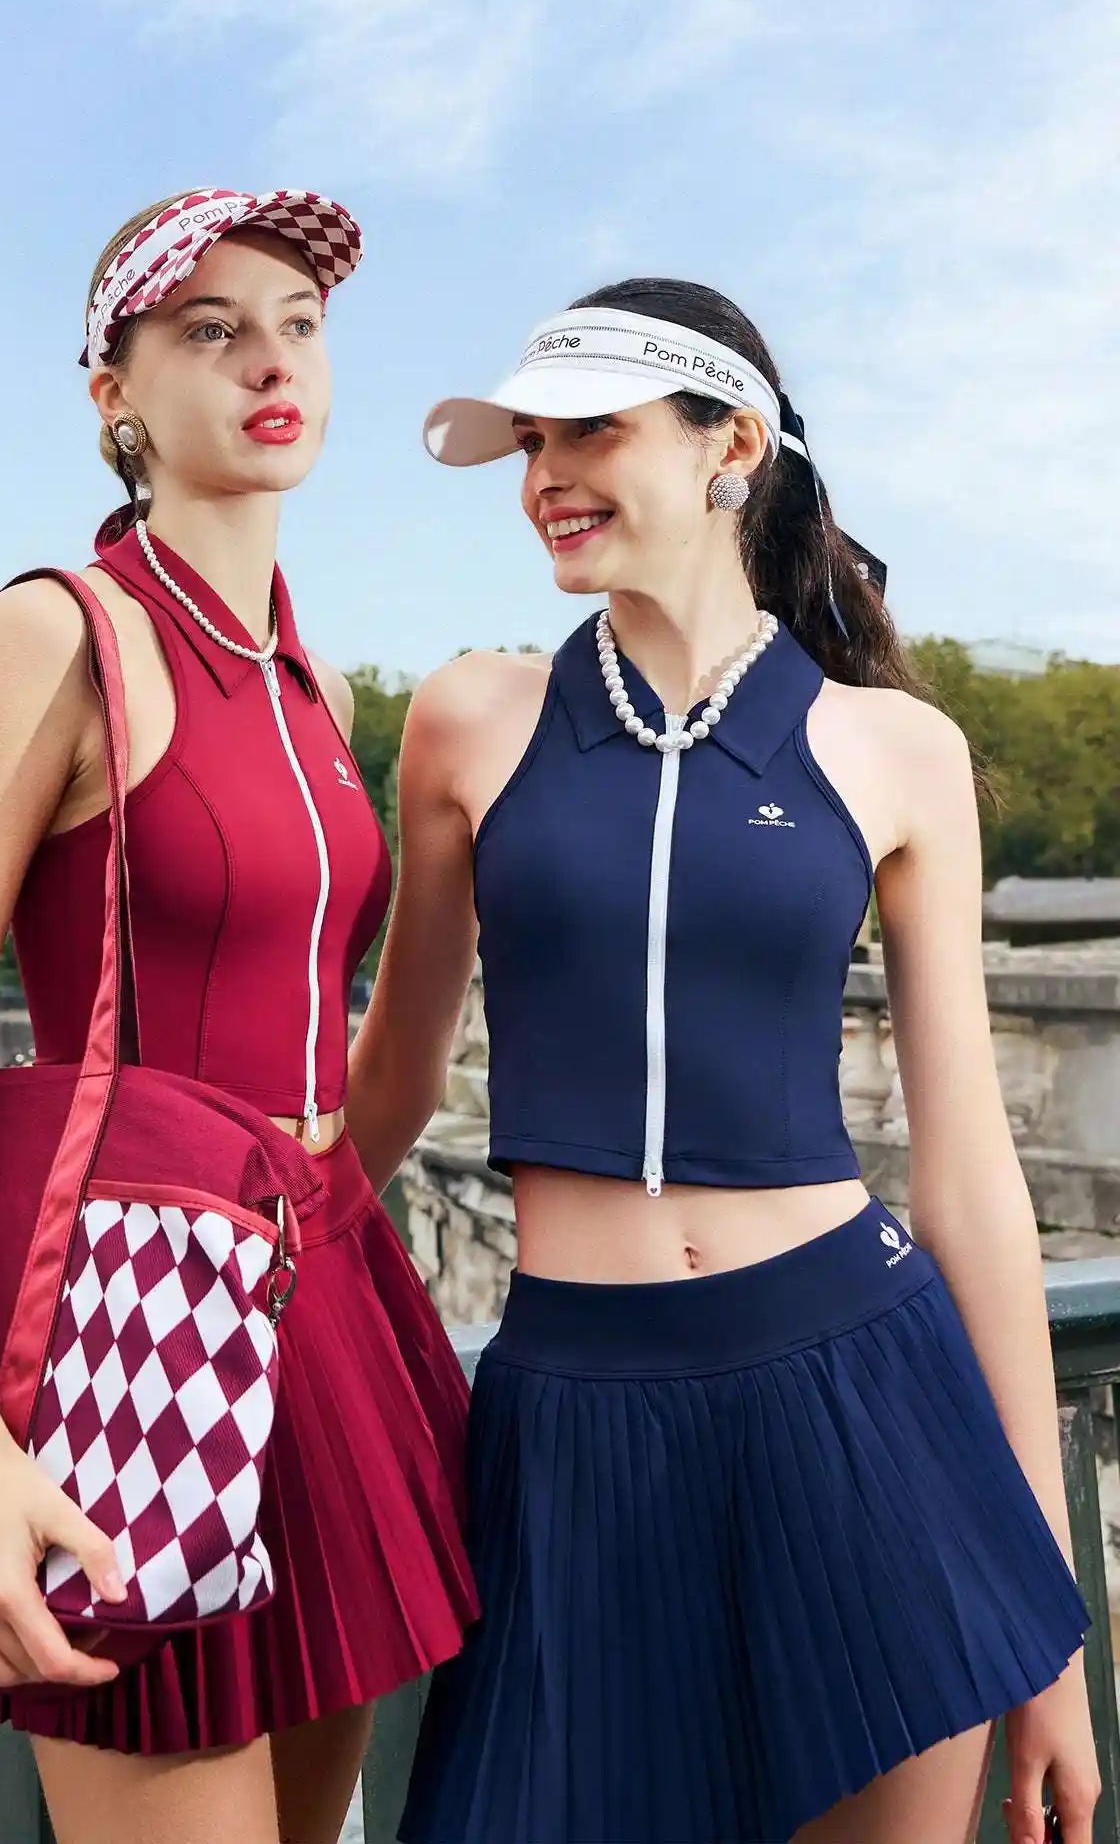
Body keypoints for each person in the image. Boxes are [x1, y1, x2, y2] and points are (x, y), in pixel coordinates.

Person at [345, 282, 1099, 1844]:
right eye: (529, 442)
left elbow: (968, 1176)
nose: (546, 472)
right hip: (573, 1419)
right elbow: (388, 1091)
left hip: (864, 1401)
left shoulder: (900, 751)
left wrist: (1051, 1623)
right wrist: (209, 1231)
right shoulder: (470, 721)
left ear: (728, 446)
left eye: (592, 432)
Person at [0, 188, 476, 1844]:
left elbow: (354, 1054)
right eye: (209, 329)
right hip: (138, 1335)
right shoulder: (62, 632)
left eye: (298, 323)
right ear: (112, 390)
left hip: (329, 1306)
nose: (270, 362)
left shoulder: (316, 686)